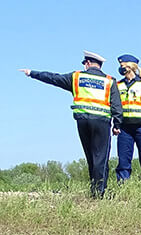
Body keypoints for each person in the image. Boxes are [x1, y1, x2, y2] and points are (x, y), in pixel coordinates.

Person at [20, 51, 122, 198]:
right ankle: (99, 192)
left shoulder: (77, 77)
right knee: (101, 157)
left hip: (82, 121)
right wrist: (117, 125)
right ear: (99, 65)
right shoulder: (109, 81)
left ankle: (94, 189)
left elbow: (54, 78)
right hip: (101, 121)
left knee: (90, 156)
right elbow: (117, 106)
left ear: (87, 63)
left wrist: (32, 73)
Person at [114, 54, 141, 184]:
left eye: (123, 66)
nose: (121, 69)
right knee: (123, 160)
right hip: (125, 128)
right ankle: (123, 186)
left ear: (131, 67)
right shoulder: (118, 85)